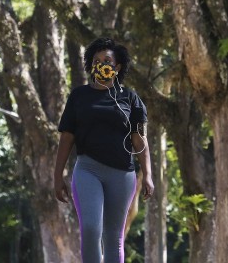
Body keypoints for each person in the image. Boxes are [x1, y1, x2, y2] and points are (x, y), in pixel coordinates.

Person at [54, 37, 154, 263]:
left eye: (107, 60)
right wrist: (57, 176)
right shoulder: (79, 96)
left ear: (117, 67)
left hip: (122, 174)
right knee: (91, 228)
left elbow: (140, 140)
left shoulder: (131, 98)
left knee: (113, 237)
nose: (101, 64)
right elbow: (66, 137)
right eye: (96, 61)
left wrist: (147, 174)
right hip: (88, 170)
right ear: (91, 65)